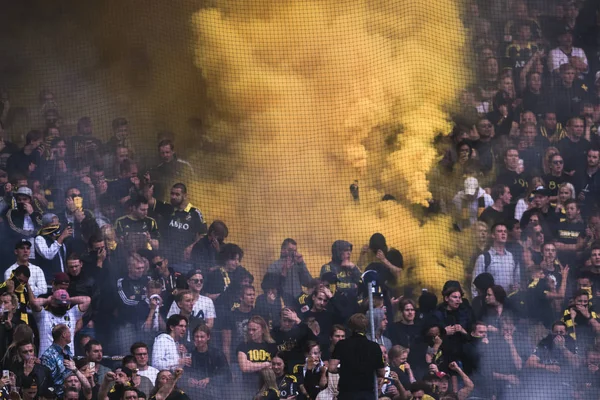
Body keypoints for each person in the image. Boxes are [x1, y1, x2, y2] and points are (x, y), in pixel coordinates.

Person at [329, 313, 386, 400]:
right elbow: (381, 373)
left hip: (347, 393)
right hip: (366, 393)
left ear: (350, 327)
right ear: (366, 327)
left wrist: (344, 369)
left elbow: (331, 368)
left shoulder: (342, 344)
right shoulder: (374, 346)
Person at [30, 288, 90, 356]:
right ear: (52, 303)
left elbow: (87, 300)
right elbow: (34, 303)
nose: (62, 307)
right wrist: (48, 300)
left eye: (64, 305)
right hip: (46, 359)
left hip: (67, 361)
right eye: (59, 304)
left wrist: (69, 299)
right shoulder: (43, 315)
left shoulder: (72, 314)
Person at [161, 183, 207, 268]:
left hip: (184, 261)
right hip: (166, 258)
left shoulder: (195, 212)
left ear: (185, 196)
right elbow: (150, 201)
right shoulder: (168, 209)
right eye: (172, 194)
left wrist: (192, 247)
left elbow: (203, 234)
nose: (173, 197)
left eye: (177, 194)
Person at [183, 324, 230, 400]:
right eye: (197, 336)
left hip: (214, 392)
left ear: (208, 337)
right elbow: (183, 374)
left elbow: (227, 376)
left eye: (202, 337)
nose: (199, 339)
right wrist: (188, 380)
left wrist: (209, 380)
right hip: (193, 393)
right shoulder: (189, 354)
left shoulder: (217, 354)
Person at [472, 223, 520, 296]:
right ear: (493, 235)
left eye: (505, 231)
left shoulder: (513, 258)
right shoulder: (484, 258)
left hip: (509, 302)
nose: (503, 233)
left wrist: (516, 288)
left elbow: (517, 281)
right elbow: (475, 285)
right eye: (500, 231)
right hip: (490, 303)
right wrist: (477, 303)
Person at [237, 315, 278, 391]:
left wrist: (252, 365)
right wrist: (265, 364)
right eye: (249, 330)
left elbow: (275, 366)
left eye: (254, 330)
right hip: (249, 387)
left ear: (262, 330)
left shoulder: (271, 346)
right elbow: (244, 367)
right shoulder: (243, 346)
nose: (251, 332)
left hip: (268, 385)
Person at [40, 324, 77, 397]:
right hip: (57, 395)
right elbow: (48, 381)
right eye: (69, 332)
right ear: (64, 334)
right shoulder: (48, 355)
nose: (70, 334)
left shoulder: (68, 351)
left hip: (72, 393)